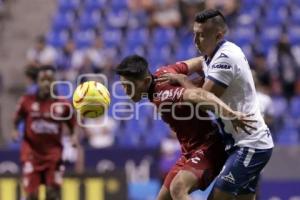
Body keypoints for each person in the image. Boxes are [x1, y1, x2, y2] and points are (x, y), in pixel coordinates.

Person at [156, 9, 274, 200]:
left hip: (250, 145)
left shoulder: (226, 58)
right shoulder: (210, 56)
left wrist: (181, 79)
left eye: (201, 35)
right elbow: (196, 80)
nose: (195, 40)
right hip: (237, 144)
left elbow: (204, 99)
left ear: (219, 35)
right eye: (194, 34)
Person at [115, 55, 254, 200]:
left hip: (209, 147)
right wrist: (202, 78)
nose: (126, 91)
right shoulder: (164, 72)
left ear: (146, 81)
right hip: (189, 152)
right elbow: (202, 61)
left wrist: (230, 113)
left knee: (178, 188)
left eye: (129, 86)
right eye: (123, 86)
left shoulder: (164, 95)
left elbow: (199, 95)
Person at [11, 66, 77, 200]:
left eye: (50, 80)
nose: (46, 83)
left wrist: (74, 137)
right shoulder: (26, 101)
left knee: (52, 194)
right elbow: (17, 118)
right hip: (31, 154)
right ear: (38, 81)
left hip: (54, 155)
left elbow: (73, 125)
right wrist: (14, 130)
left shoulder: (63, 104)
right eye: (43, 80)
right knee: (31, 195)